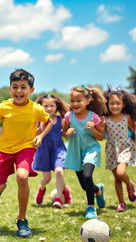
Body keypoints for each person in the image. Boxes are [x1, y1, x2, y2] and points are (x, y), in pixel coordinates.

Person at [0, 69, 52, 238]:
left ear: (31, 90)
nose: (19, 91)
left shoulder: (36, 109)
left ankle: (22, 219)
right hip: (4, 149)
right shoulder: (3, 106)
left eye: (23, 87)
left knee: (22, 177)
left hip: (26, 147)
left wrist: (40, 135)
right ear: (10, 89)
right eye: (15, 87)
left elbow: (49, 122)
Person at [63, 85, 107, 219]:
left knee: (87, 176)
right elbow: (64, 133)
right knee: (85, 185)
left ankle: (90, 207)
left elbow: (101, 137)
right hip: (76, 152)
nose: (75, 104)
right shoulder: (68, 116)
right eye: (72, 101)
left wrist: (93, 128)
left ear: (88, 101)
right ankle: (98, 190)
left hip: (90, 150)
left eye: (79, 100)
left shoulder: (93, 117)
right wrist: (67, 132)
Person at [33, 94, 72, 208]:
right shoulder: (38, 120)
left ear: (56, 106)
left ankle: (59, 198)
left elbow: (64, 133)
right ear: (41, 107)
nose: (49, 108)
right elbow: (34, 134)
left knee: (59, 171)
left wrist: (68, 133)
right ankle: (42, 189)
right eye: (46, 106)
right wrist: (40, 127)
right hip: (43, 150)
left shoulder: (61, 120)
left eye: (52, 106)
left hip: (58, 149)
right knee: (47, 178)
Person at [103, 86, 136, 211]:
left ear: (123, 105)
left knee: (121, 173)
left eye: (118, 103)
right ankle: (121, 203)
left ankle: (129, 185)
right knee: (117, 178)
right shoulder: (106, 119)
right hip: (111, 149)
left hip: (125, 147)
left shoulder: (126, 117)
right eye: (112, 103)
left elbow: (134, 129)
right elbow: (101, 133)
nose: (115, 106)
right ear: (107, 104)